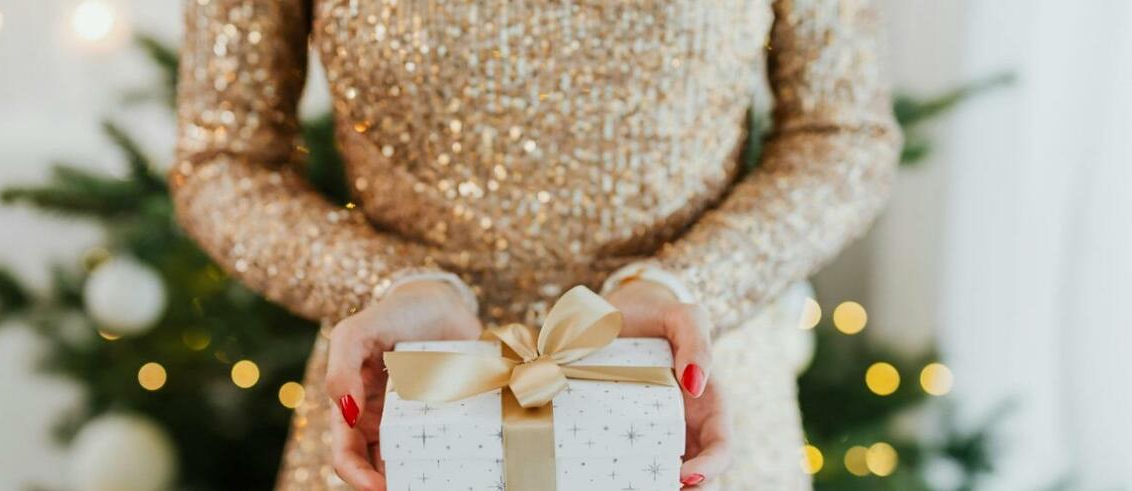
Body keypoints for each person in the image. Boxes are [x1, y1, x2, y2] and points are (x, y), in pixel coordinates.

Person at [171, 0, 900, 489]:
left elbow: (843, 136)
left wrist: (691, 282)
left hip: (681, 413)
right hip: (413, 407)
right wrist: (382, 283)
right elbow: (223, 159)